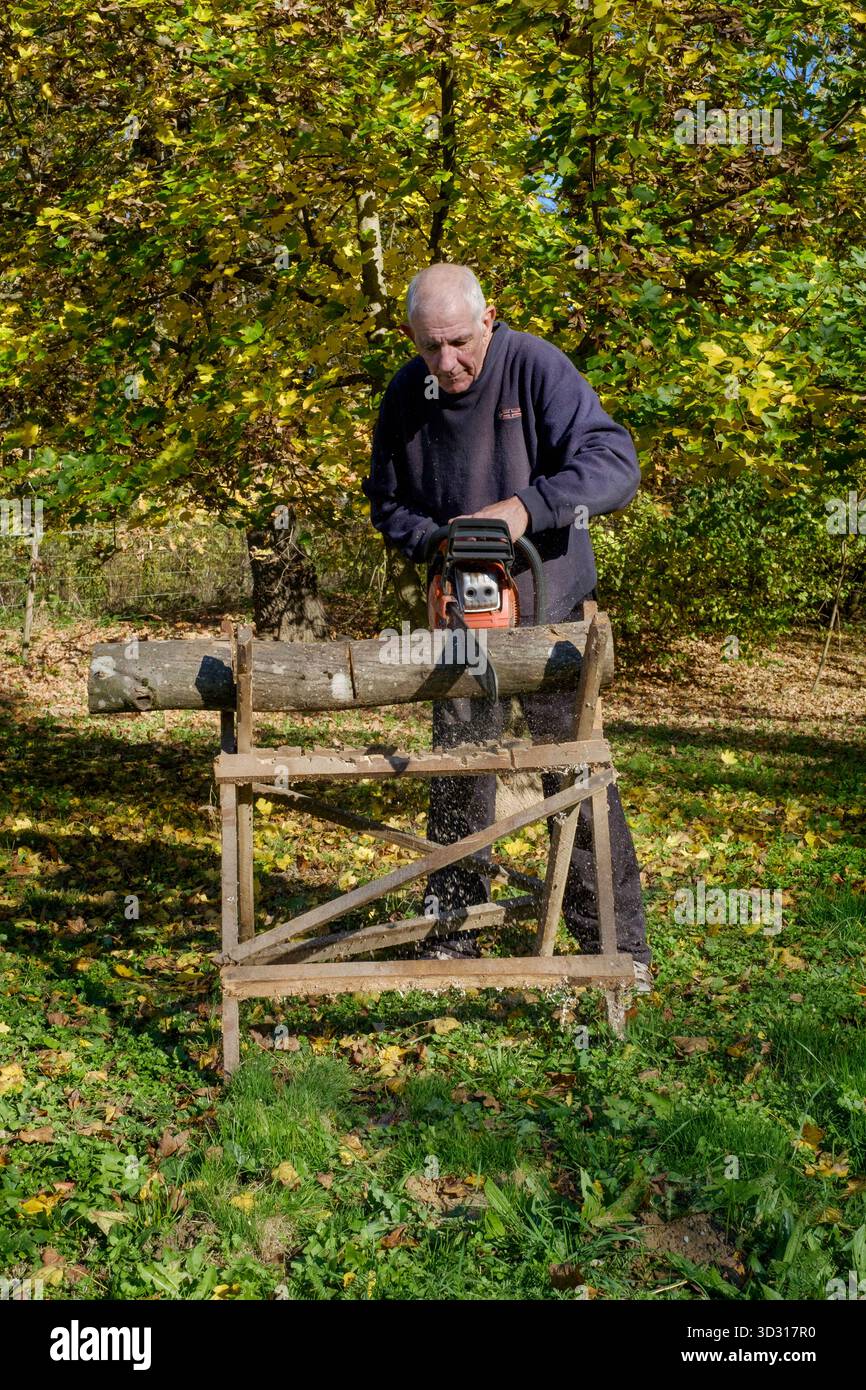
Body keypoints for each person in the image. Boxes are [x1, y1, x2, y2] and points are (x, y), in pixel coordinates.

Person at [362, 263, 652, 989]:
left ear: (488, 317)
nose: (448, 363)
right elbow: (385, 500)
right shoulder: (407, 393)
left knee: (577, 779)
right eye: (431, 348)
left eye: (460, 342)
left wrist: (522, 510)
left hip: (548, 618)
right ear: (411, 339)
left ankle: (614, 947)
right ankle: (456, 926)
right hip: (460, 619)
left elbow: (614, 462)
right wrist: (436, 541)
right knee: (461, 775)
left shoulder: (535, 367)